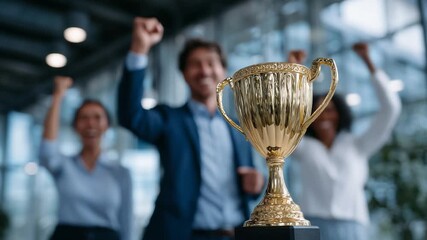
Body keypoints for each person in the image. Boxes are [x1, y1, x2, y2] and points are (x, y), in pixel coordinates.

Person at [117, 17, 264, 240]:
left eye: (211, 63)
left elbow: (248, 188)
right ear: (184, 74)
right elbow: (131, 116)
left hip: (236, 234)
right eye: (195, 64)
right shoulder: (169, 120)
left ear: (223, 71)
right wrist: (140, 48)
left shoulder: (240, 128)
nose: (204, 70)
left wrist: (256, 185)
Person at [288, 43, 401, 240]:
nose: (323, 116)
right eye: (317, 110)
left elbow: (390, 109)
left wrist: (368, 62)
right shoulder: (304, 147)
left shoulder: (358, 145)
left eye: (329, 110)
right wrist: (292, 71)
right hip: (313, 226)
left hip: (353, 227)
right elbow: (281, 123)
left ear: (340, 114)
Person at [39, 76, 133, 240]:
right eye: (84, 118)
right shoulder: (64, 165)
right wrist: (58, 96)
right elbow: (48, 149)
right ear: (75, 127)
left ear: (107, 126)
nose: (90, 124)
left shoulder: (120, 172)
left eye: (97, 118)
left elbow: (126, 221)